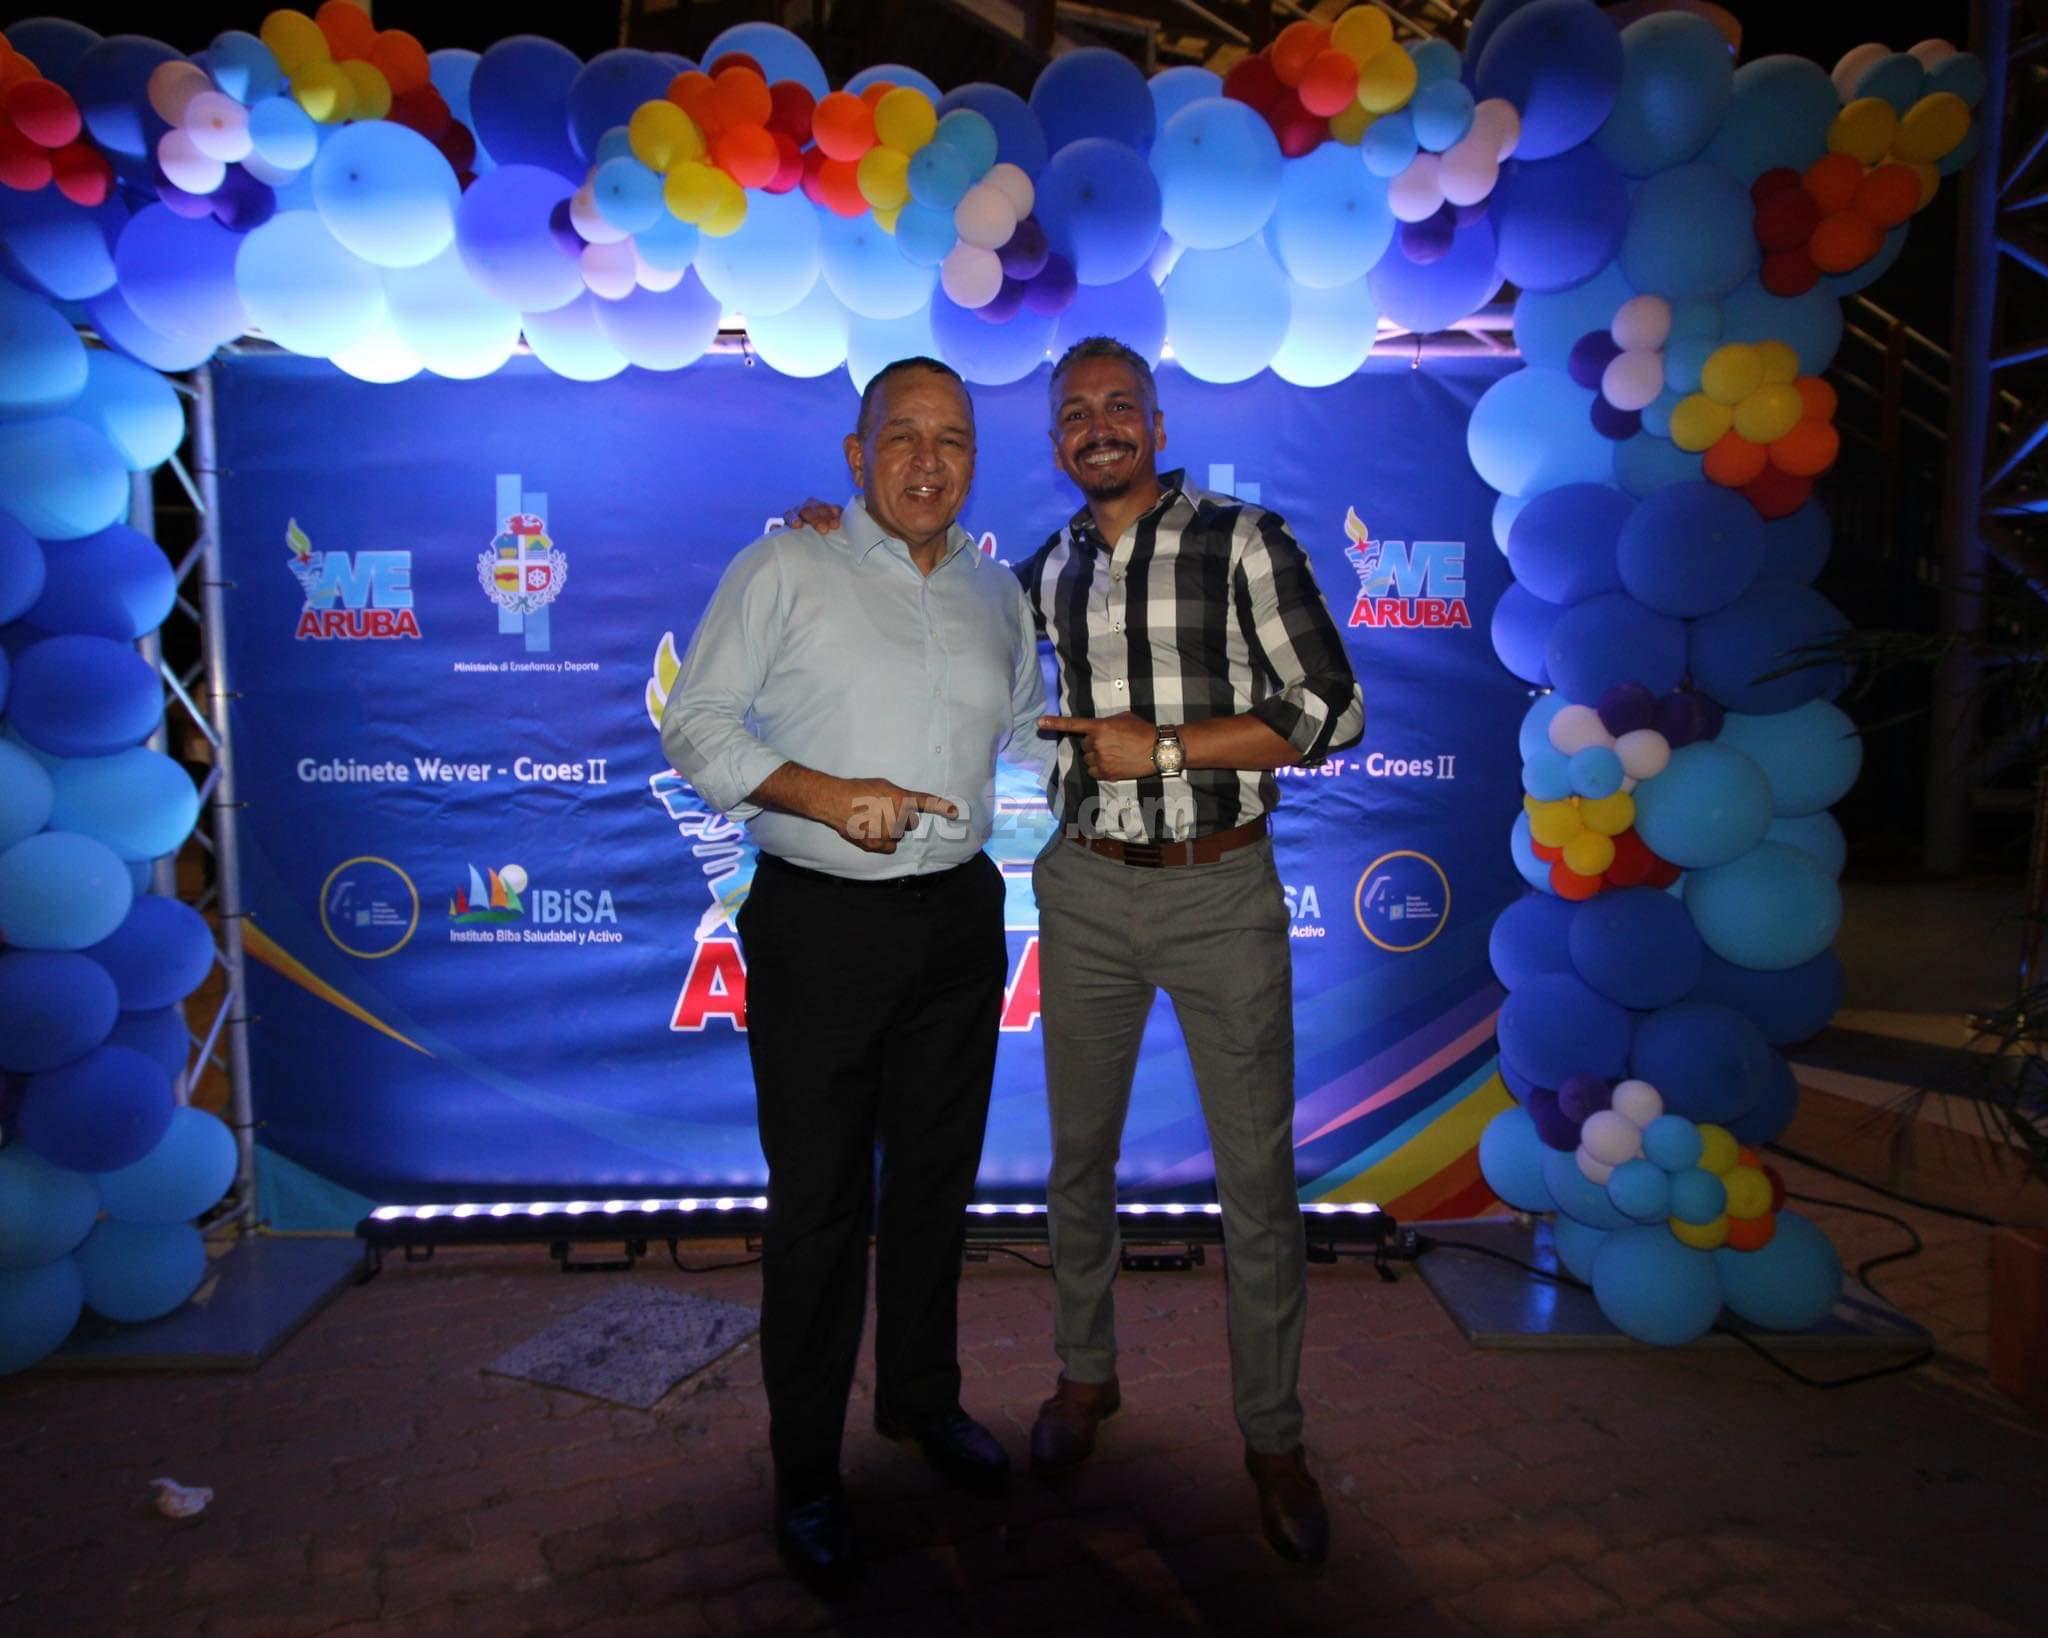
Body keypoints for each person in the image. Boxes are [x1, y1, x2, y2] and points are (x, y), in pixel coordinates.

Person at [787, 336, 1365, 1566]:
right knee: (1077, 1167)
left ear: (1156, 423)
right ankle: (1083, 1378)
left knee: (1256, 1186)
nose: (1097, 428)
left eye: (1118, 407)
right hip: (1085, 888)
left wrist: (1164, 748)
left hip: (1219, 889)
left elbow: (1331, 709)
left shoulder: (1242, 542)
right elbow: (928, 600)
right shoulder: (1040, 574)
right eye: (1073, 414)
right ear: (1054, 442)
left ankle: (1272, 1442)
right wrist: (830, 531)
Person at [660, 356, 1050, 1593]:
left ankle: (919, 1403)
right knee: (820, 1206)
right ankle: (806, 1471)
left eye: (952, 439)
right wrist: (822, 794)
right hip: (819, 927)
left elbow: (1030, 730)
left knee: (934, 1186)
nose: (927, 461)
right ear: (854, 453)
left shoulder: (997, 593)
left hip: (958, 922)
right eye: (901, 436)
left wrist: (1147, 755)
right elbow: (694, 723)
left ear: (973, 459)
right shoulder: (786, 565)